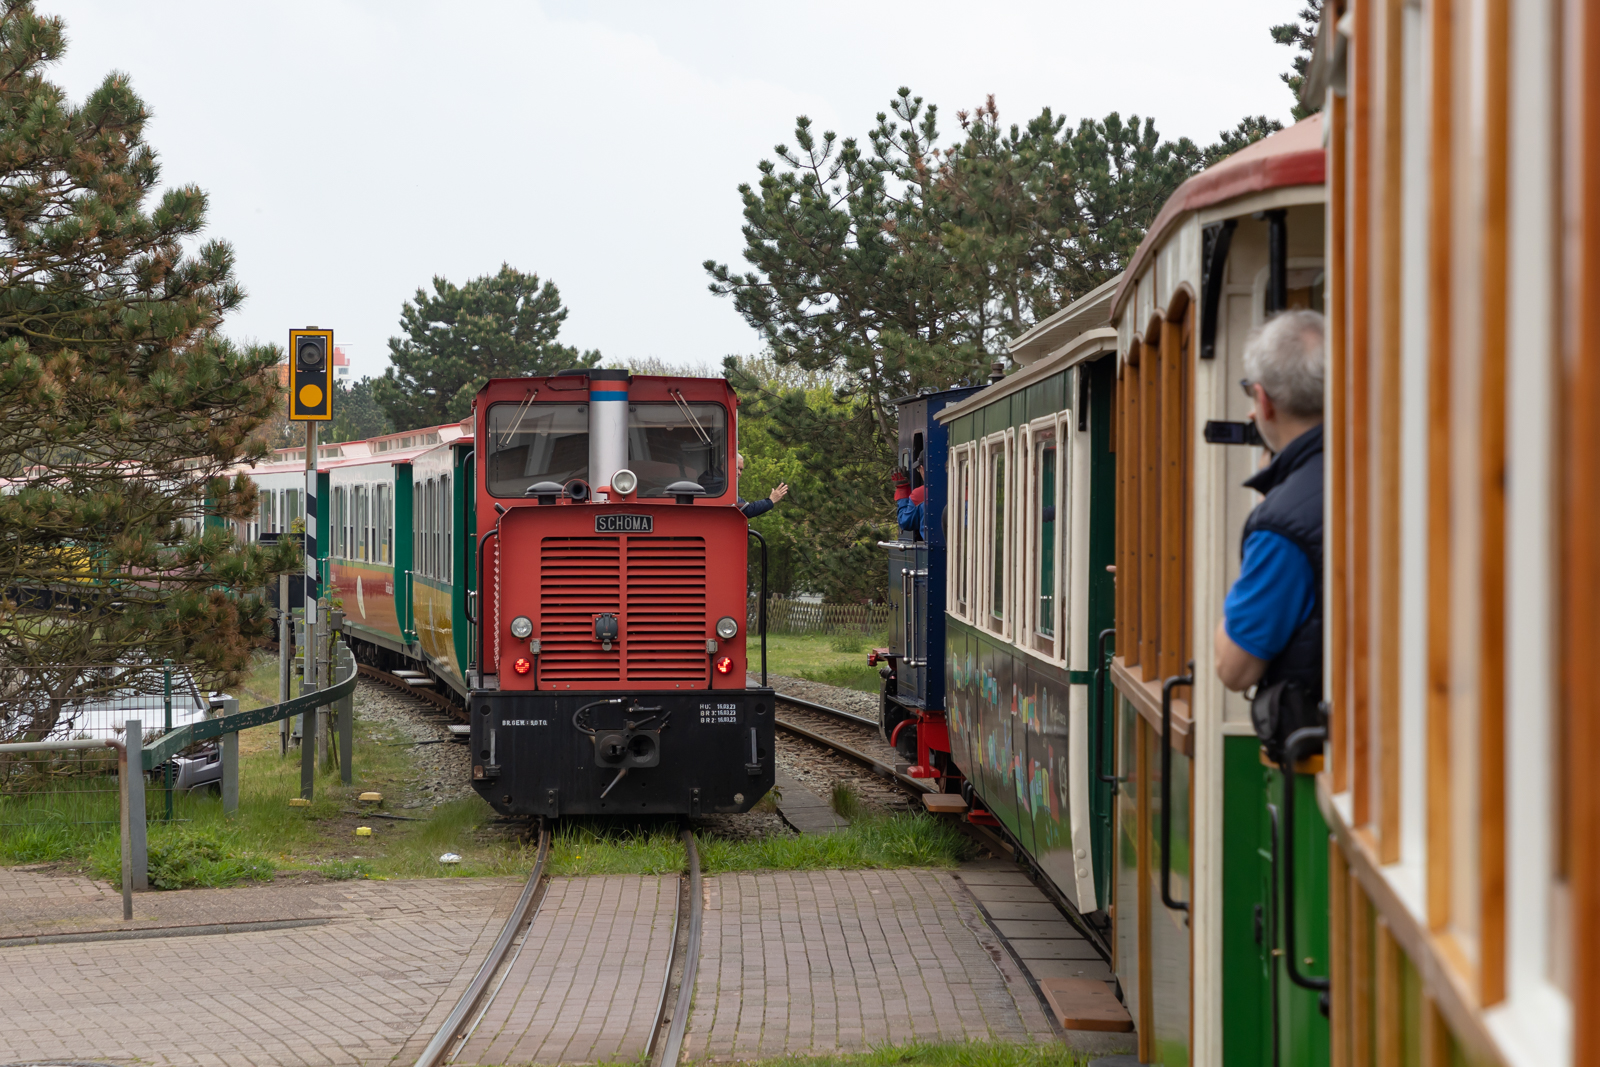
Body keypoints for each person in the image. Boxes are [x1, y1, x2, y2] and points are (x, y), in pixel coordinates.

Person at [1214, 309, 1325, 696]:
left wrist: (1271, 506)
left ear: (1264, 401)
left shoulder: (1281, 525)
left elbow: (1233, 667)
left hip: (1324, 748)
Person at [736, 452, 788, 518]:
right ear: (724, 466)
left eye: (741, 470)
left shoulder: (724, 485)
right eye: (736, 468)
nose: (739, 473)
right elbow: (747, 510)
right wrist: (771, 500)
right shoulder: (722, 487)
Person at [893, 459, 927, 539]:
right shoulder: (961, 489)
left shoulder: (920, 494)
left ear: (922, 468)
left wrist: (902, 489)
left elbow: (905, 522)